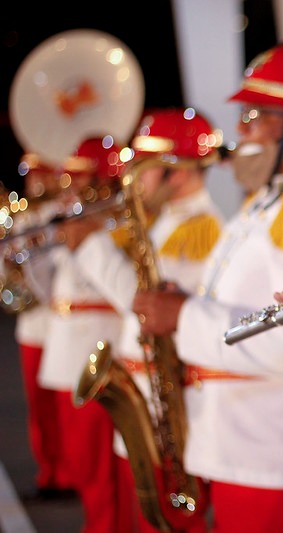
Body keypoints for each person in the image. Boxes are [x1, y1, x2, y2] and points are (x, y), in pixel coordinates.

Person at [132, 40, 283, 532]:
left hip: (277, 453)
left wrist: (184, 317)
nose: (241, 131)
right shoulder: (271, 200)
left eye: (254, 118)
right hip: (250, 445)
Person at [65, 107, 224, 532]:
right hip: (145, 388)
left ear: (179, 172)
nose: (133, 177)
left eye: (145, 167)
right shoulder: (166, 223)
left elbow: (146, 306)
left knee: (171, 518)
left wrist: (91, 248)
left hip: (165, 399)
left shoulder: (201, 230)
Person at [32, 136, 126, 532]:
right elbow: (48, 293)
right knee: (84, 462)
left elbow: (122, 292)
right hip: (65, 351)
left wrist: (86, 241)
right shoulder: (75, 220)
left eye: (80, 180)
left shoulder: (118, 222)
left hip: (98, 350)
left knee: (102, 467)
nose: (69, 188)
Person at [3, 154, 75, 500]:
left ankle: (69, 472)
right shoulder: (22, 218)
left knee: (64, 408)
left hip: (59, 322)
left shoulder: (59, 216)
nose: (33, 182)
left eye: (39, 175)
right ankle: (49, 470)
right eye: (29, 176)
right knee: (40, 409)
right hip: (31, 325)